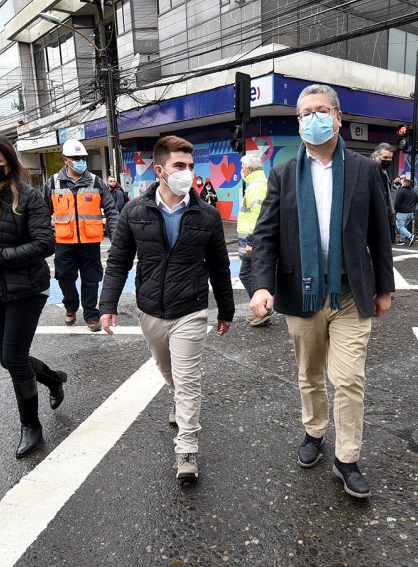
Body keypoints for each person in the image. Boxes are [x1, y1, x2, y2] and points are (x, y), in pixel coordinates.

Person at [249, 83, 395, 499]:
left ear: (337, 118)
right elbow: (266, 235)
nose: (312, 118)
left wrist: (384, 288)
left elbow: (380, 233)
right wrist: (261, 285)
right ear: (298, 123)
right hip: (302, 293)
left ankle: (347, 458)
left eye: (320, 110)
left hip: (350, 293)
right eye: (305, 113)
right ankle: (314, 431)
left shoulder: (366, 170)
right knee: (310, 374)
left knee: (349, 379)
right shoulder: (283, 173)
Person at [99, 135, 234, 483]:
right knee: (167, 369)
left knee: (188, 379)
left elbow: (220, 266)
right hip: (150, 309)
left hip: (190, 309)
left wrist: (226, 310)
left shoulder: (207, 215)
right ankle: (176, 398)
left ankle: (186, 447)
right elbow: (118, 262)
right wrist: (107, 305)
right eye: (179, 166)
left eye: (190, 166)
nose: (188, 172)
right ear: (159, 171)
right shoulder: (134, 211)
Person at [0, 134, 68, 459]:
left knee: (15, 358)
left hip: (28, 287)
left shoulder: (26, 195)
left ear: (8, 163)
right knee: (7, 359)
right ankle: (53, 379)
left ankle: (31, 426)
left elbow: (45, 243)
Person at [43, 139, 117, 332]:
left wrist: (116, 239)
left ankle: (91, 315)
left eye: (83, 158)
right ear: (65, 160)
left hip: (90, 243)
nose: (80, 161)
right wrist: (44, 237)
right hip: (64, 242)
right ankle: (71, 305)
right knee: (64, 277)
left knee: (91, 280)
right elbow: (42, 213)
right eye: (75, 158)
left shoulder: (96, 182)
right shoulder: (53, 182)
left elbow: (112, 211)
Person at [237, 153, 272, 326]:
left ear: (249, 169)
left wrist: (253, 242)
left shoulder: (256, 187)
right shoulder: (258, 184)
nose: (241, 170)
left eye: (242, 167)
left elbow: (259, 217)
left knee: (245, 274)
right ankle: (262, 310)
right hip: (252, 240)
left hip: (252, 241)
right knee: (252, 274)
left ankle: (263, 308)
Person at [370, 143, 396, 238]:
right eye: (385, 157)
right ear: (376, 156)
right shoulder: (369, 171)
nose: (388, 160)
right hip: (374, 217)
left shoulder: (383, 172)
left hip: (384, 215)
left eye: (390, 158)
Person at [393, 176, 418, 246]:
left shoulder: (401, 191)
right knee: (403, 226)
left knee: (399, 226)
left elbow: (397, 203)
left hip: (402, 212)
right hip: (410, 212)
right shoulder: (413, 191)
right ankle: (402, 240)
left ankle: (410, 236)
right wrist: (412, 207)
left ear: (404, 183)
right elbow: (416, 200)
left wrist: (396, 210)